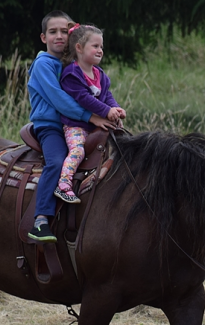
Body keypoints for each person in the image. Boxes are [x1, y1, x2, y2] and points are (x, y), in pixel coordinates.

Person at [26, 10, 115, 243]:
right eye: (53, 32)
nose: (59, 36)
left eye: (64, 31)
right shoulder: (43, 65)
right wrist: (92, 117)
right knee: (56, 161)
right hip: (52, 126)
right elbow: (59, 99)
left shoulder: (71, 66)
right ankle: (41, 220)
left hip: (75, 123)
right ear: (43, 37)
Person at [55, 24, 125, 204]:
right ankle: (64, 183)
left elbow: (106, 95)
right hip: (76, 125)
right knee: (77, 150)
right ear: (79, 48)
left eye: (101, 47)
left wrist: (115, 108)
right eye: (95, 46)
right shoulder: (72, 74)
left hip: (95, 125)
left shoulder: (99, 74)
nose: (100, 50)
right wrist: (106, 111)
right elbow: (83, 98)